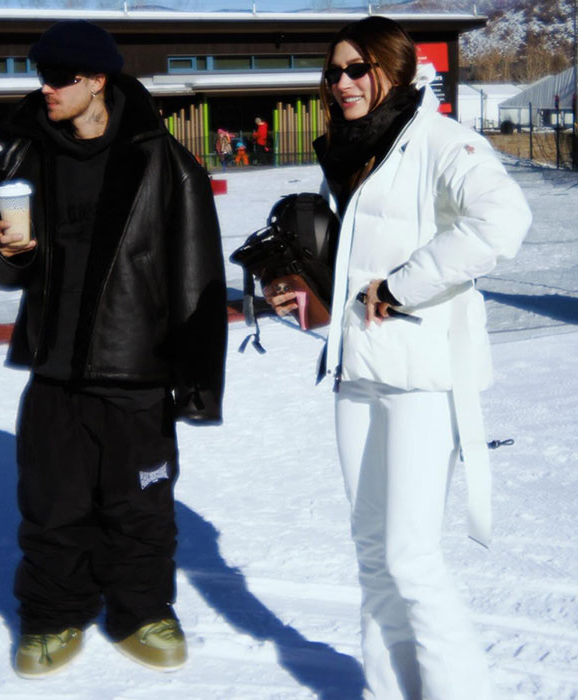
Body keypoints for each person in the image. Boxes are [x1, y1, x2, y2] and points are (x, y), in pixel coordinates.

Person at [265, 16, 531, 700]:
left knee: (412, 560)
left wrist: (405, 284)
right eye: (334, 72)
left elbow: (503, 221)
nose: (344, 82)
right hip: (358, 373)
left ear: (397, 69)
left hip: (422, 377)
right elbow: (358, 263)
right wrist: (308, 298)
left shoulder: (442, 140)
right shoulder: (356, 152)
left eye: (359, 69)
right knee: (375, 560)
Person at [0, 20, 227, 679]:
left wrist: (198, 379)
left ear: (98, 80)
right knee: (51, 504)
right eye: (40, 76)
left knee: (141, 505)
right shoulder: (23, 155)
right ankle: (53, 617)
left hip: (137, 366)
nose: (45, 88)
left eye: (60, 77)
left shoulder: (162, 160)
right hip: (53, 366)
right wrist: (0, 249)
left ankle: (142, 610)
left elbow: (197, 272)